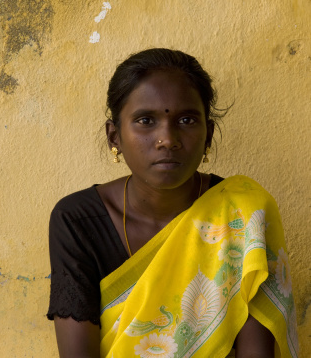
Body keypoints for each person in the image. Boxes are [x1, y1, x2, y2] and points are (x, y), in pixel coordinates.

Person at [46, 48, 298, 358]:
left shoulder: (243, 214)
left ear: (208, 135)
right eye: (146, 120)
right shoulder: (76, 220)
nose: (167, 139)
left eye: (187, 120)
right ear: (115, 137)